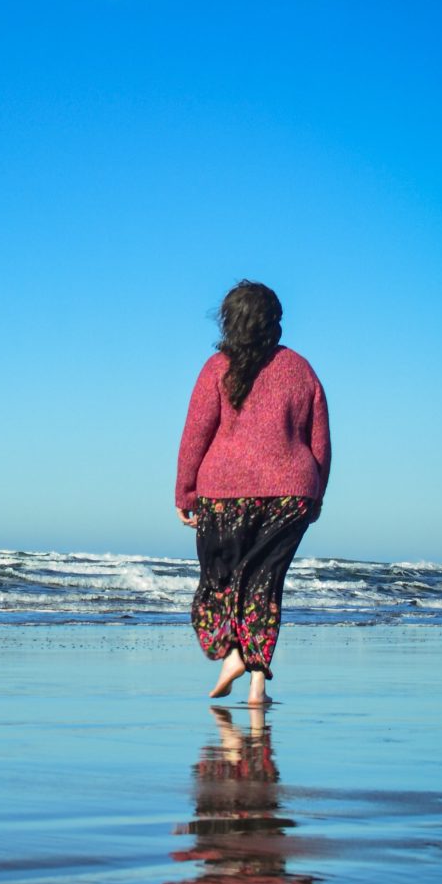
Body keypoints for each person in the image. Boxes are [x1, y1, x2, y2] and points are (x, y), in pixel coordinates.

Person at [175, 280, 330, 703]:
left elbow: (195, 434)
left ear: (230, 321)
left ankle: (234, 655)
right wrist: (316, 496)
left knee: (219, 579)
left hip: (226, 492)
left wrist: (185, 492)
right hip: (291, 492)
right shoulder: (301, 368)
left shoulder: (216, 367)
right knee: (265, 582)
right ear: (273, 322)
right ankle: (256, 681)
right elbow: (321, 440)